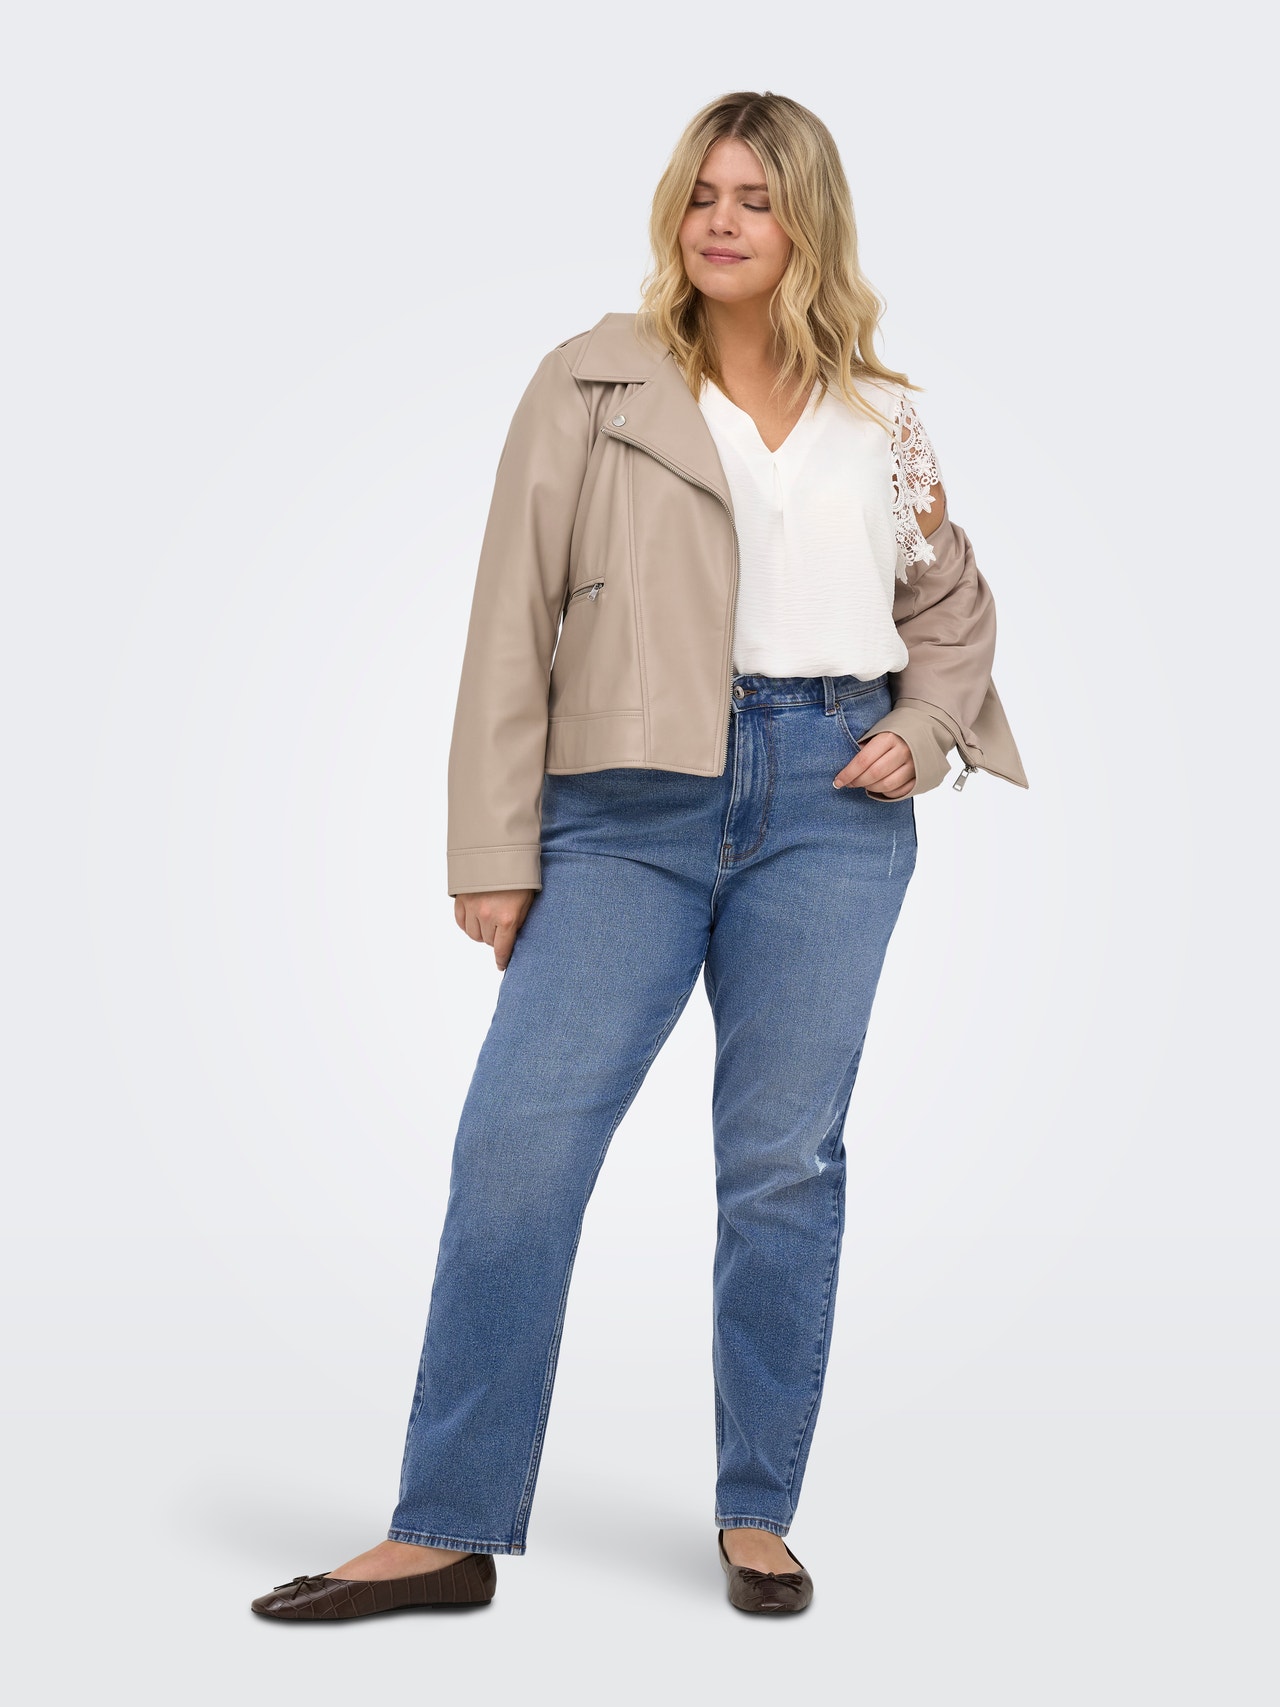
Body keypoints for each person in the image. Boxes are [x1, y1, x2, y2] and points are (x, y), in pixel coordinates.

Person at [251, 88, 1028, 1624]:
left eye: (756, 197)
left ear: (808, 221)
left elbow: (949, 605)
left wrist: (927, 727)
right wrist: (494, 845)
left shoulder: (884, 419)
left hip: (832, 802)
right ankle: (445, 1526)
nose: (723, 221)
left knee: (783, 1166)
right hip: (623, 809)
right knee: (519, 1147)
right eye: (703, 194)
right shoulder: (593, 382)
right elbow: (511, 615)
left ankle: (757, 1513)